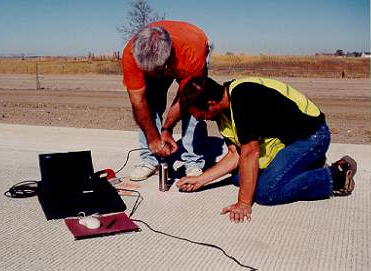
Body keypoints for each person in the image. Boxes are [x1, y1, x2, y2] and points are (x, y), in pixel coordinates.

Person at [177, 76, 357, 223]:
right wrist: (200, 180)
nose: (199, 119)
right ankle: (306, 166)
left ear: (210, 104)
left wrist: (244, 203)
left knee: (265, 192)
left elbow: (250, 153)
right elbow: (235, 155)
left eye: (198, 115)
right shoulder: (222, 111)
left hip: (312, 137)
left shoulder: (242, 98)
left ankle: (335, 177)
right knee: (239, 177)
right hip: (288, 142)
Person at [121, 20, 211, 181]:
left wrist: (167, 129)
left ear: (168, 60)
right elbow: (138, 102)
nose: (153, 75)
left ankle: (193, 161)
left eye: (156, 71)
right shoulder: (131, 55)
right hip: (162, 60)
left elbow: (185, 98)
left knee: (193, 105)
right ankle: (150, 159)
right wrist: (153, 138)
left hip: (191, 48)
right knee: (149, 102)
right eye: (147, 71)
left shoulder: (191, 52)